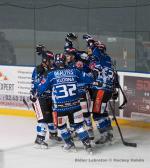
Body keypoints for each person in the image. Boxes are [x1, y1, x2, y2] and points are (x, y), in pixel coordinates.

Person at [37, 53, 94, 153]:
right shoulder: (74, 71)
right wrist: (95, 72)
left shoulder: (51, 74)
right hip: (75, 104)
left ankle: (69, 144)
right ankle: (87, 145)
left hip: (60, 107)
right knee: (79, 125)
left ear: (55, 62)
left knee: (61, 127)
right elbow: (90, 79)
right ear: (65, 61)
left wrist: (36, 90)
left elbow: (41, 89)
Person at [83, 35, 115, 144]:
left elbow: (95, 52)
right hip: (107, 90)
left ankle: (104, 135)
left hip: (101, 90)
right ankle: (109, 133)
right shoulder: (107, 60)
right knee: (103, 112)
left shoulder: (100, 57)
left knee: (96, 114)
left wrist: (90, 41)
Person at [30, 50, 61, 149]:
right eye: (50, 60)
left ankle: (53, 135)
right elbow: (36, 84)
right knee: (42, 119)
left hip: (50, 97)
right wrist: (32, 94)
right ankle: (39, 139)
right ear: (45, 60)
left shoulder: (52, 68)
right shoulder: (38, 69)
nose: (52, 61)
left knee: (51, 117)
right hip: (40, 98)